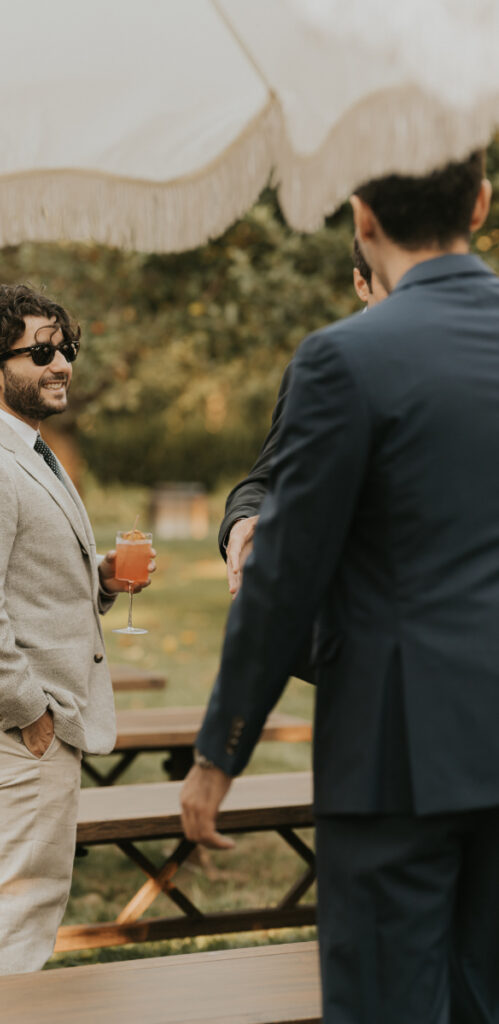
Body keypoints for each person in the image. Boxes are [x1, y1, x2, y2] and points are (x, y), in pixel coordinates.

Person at [181, 152, 499, 1022]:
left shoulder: (344, 358)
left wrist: (219, 753)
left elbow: (282, 578)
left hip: (394, 754)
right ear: (480, 201)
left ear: (361, 218)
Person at [0, 284, 153, 980]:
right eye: (42, 351)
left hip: (32, 717)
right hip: (22, 721)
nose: (62, 365)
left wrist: (98, 574)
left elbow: (22, 571)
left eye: (66, 350)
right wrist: (31, 714)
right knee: (23, 904)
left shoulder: (20, 448)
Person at [220, 239, 386, 600]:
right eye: (394, 287)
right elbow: (265, 480)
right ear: (362, 285)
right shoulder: (319, 370)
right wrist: (242, 522)